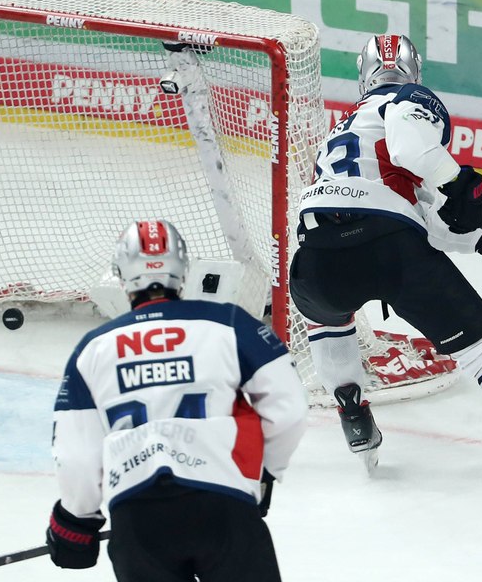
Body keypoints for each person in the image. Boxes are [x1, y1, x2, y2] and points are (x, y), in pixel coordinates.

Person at [288, 33, 482, 481]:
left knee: (329, 321)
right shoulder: (410, 98)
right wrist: (459, 177)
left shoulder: (340, 131)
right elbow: (414, 155)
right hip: (390, 248)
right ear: (415, 71)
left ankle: (352, 410)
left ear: (362, 74)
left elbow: (433, 217)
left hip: (315, 259)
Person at [47, 220, 308, 581]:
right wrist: (265, 473)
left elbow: (76, 455)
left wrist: (76, 521)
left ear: (122, 275)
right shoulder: (230, 323)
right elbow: (288, 407)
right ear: (183, 271)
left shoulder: (92, 349)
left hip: (138, 519)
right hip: (223, 504)